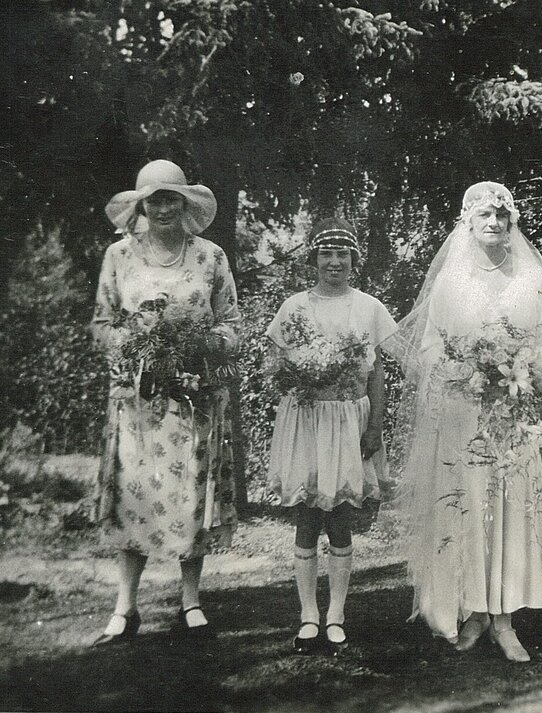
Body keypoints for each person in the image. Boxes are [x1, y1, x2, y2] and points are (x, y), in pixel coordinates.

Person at [385, 182, 542, 662]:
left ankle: (505, 619)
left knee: (509, 508)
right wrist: (462, 370)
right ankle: (472, 612)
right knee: (465, 505)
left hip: (513, 414)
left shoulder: (532, 280)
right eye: (483, 215)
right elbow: (429, 347)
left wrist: (526, 367)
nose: (493, 223)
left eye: (501, 216)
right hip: (463, 414)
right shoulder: (452, 282)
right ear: (467, 222)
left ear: (512, 224)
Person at [91, 159, 239, 645]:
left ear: (185, 203)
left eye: (171, 198)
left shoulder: (211, 257)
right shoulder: (119, 256)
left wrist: (195, 343)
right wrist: (135, 344)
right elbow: (101, 324)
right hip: (137, 400)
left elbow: (232, 326)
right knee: (135, 491)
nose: (163, 208)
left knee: (191, 491)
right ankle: (125, 606)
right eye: (153, 200)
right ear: (141, 207)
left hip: (191, 396)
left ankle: (190, 601)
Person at [265, 217, 397, 655]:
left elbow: (377, 373)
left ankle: (336, 615)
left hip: (349, 421)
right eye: (327, 253)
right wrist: (303, 371)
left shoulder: (369, 307)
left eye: (343, 254)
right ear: (314, 259)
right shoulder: (294, 307)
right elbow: (276, 367)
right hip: (306, 418)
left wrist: (375, 424)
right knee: (306, 516)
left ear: (354, 260)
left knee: (341, 517)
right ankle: (307, 616)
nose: (334, 262)